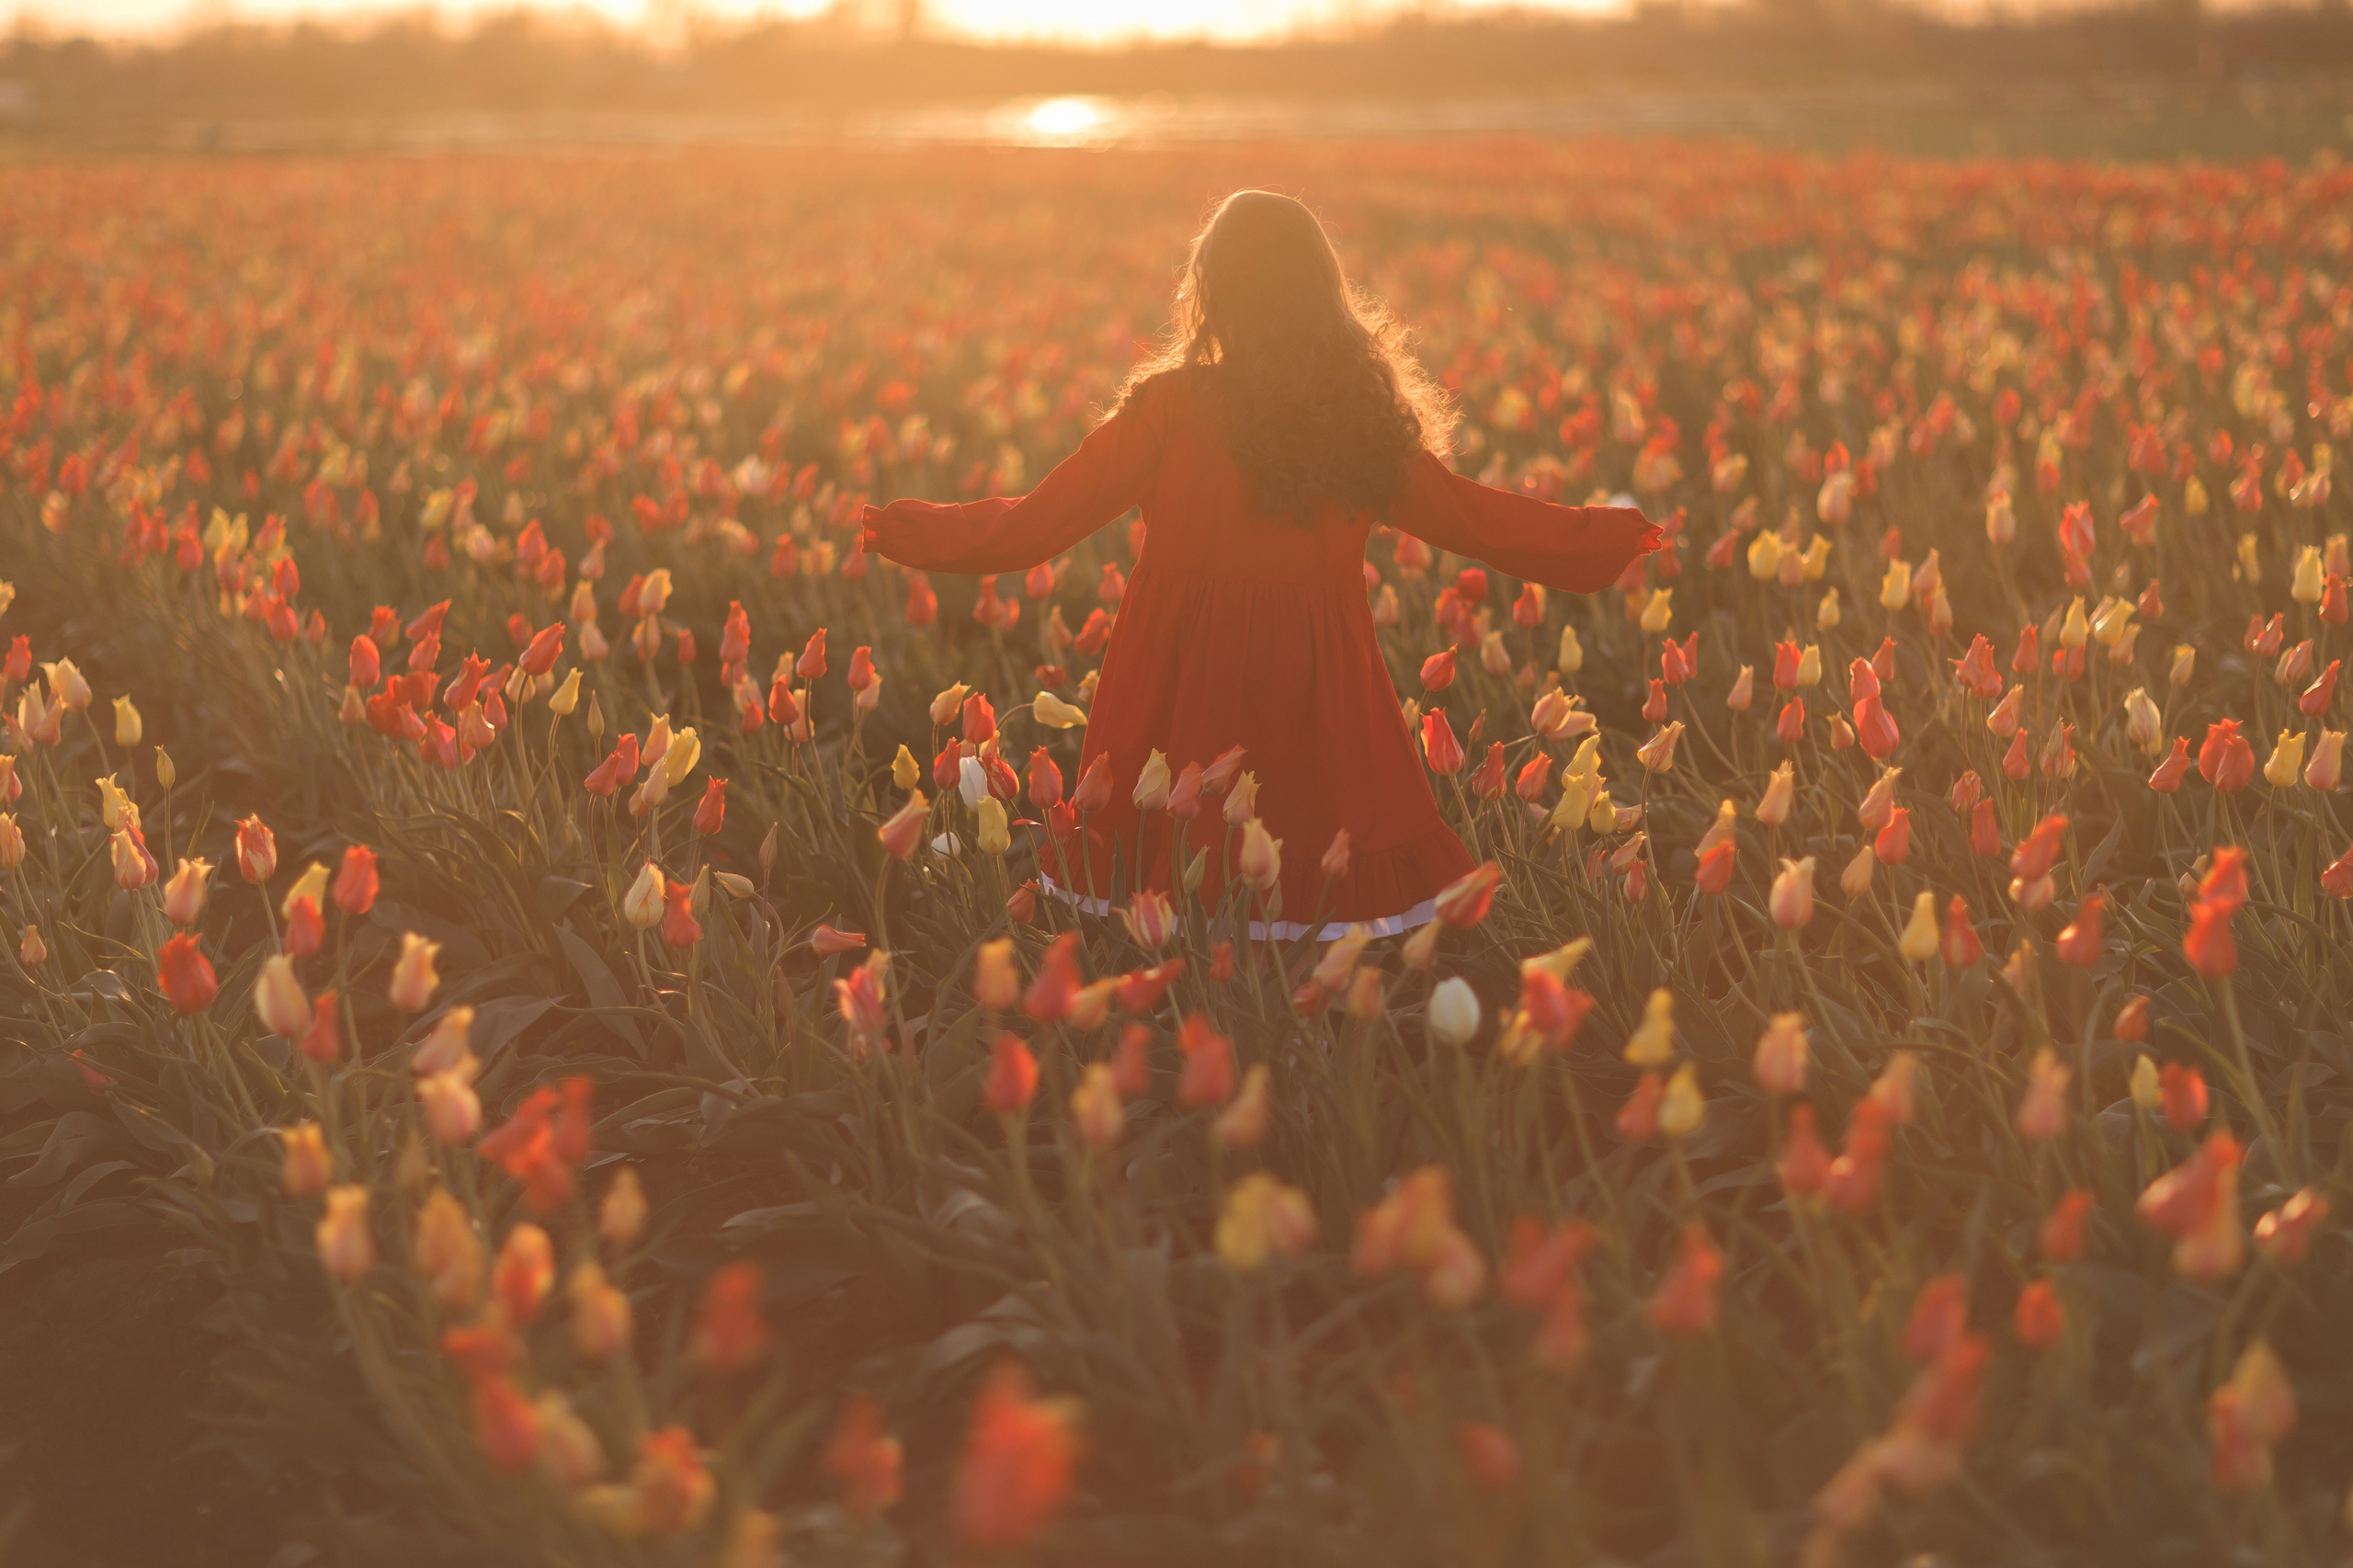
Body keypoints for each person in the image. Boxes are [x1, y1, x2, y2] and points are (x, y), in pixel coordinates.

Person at [861, 189, 1658, 938]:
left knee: (1183, 855)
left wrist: (909, 529)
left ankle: (1201, 995)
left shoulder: (1169, 409)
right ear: (1322, 294)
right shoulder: (1358, 418)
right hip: (1314, 668)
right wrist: (1601, 538)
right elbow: (1476, 519)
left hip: (1178, 667)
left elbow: (1038, 523)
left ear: (1211, 291)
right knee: (1310, 840)